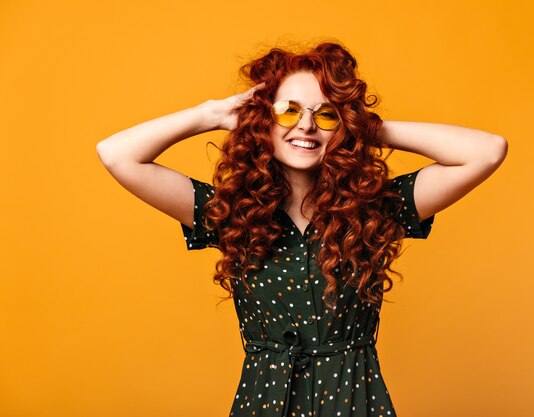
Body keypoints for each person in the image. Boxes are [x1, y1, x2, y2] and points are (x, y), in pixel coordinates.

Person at [96, 42, 507, 417]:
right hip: (264, 402)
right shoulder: (231, 212)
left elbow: (486, 151)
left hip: (354, 402)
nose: (306, 126)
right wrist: (211, 114)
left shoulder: (374, 209)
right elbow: (117, 155)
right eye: (289, 110)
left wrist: (365, 127)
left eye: (325, 113)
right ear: (263, 119)